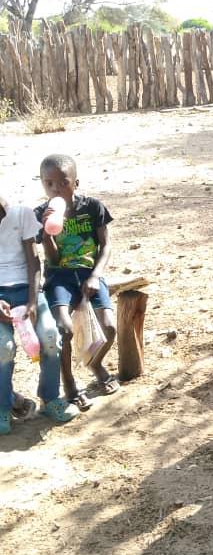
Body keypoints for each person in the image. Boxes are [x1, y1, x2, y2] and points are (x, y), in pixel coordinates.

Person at [35, 154, 118, 411]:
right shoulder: (40, 214)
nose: (56, 189)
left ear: (76, 183)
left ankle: (95, 363)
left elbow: (106, 245)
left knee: (109, 328)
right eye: (49, 184)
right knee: (64, 329)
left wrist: (95, 275)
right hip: (59, 277)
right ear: (43, 184)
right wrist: (46, 233)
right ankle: (69, 382)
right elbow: (53, 259)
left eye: (63, 182)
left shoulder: (92, 207)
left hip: (89, 273)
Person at [0, 192, 79, 434]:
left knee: (50, 337)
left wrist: (33, 303)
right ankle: (3, 407)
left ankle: (50, 398)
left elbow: (34, 263)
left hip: (28, 289)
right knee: (3, 348)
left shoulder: (21, 214)